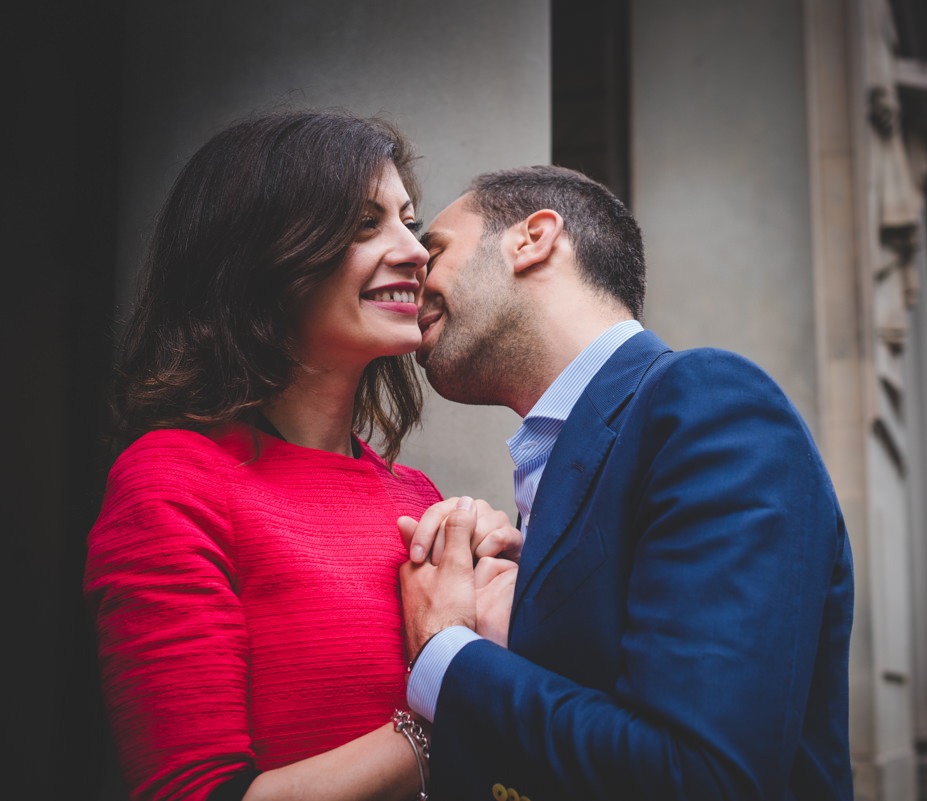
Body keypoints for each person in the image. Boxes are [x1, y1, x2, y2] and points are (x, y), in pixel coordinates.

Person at [83, 112, 519, 801]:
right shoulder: (171, 480)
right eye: (363, 224)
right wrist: (460, 700)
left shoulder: (417, 498)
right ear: (264, 256)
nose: (414, 250)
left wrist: (508, 605)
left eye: (409, 221)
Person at [399, 166, 855, 800]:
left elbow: (700, 777)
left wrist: (445, 654)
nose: (409, 276)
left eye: (436, 250)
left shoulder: (711, 405)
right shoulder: (571, 464)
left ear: (533, 238)